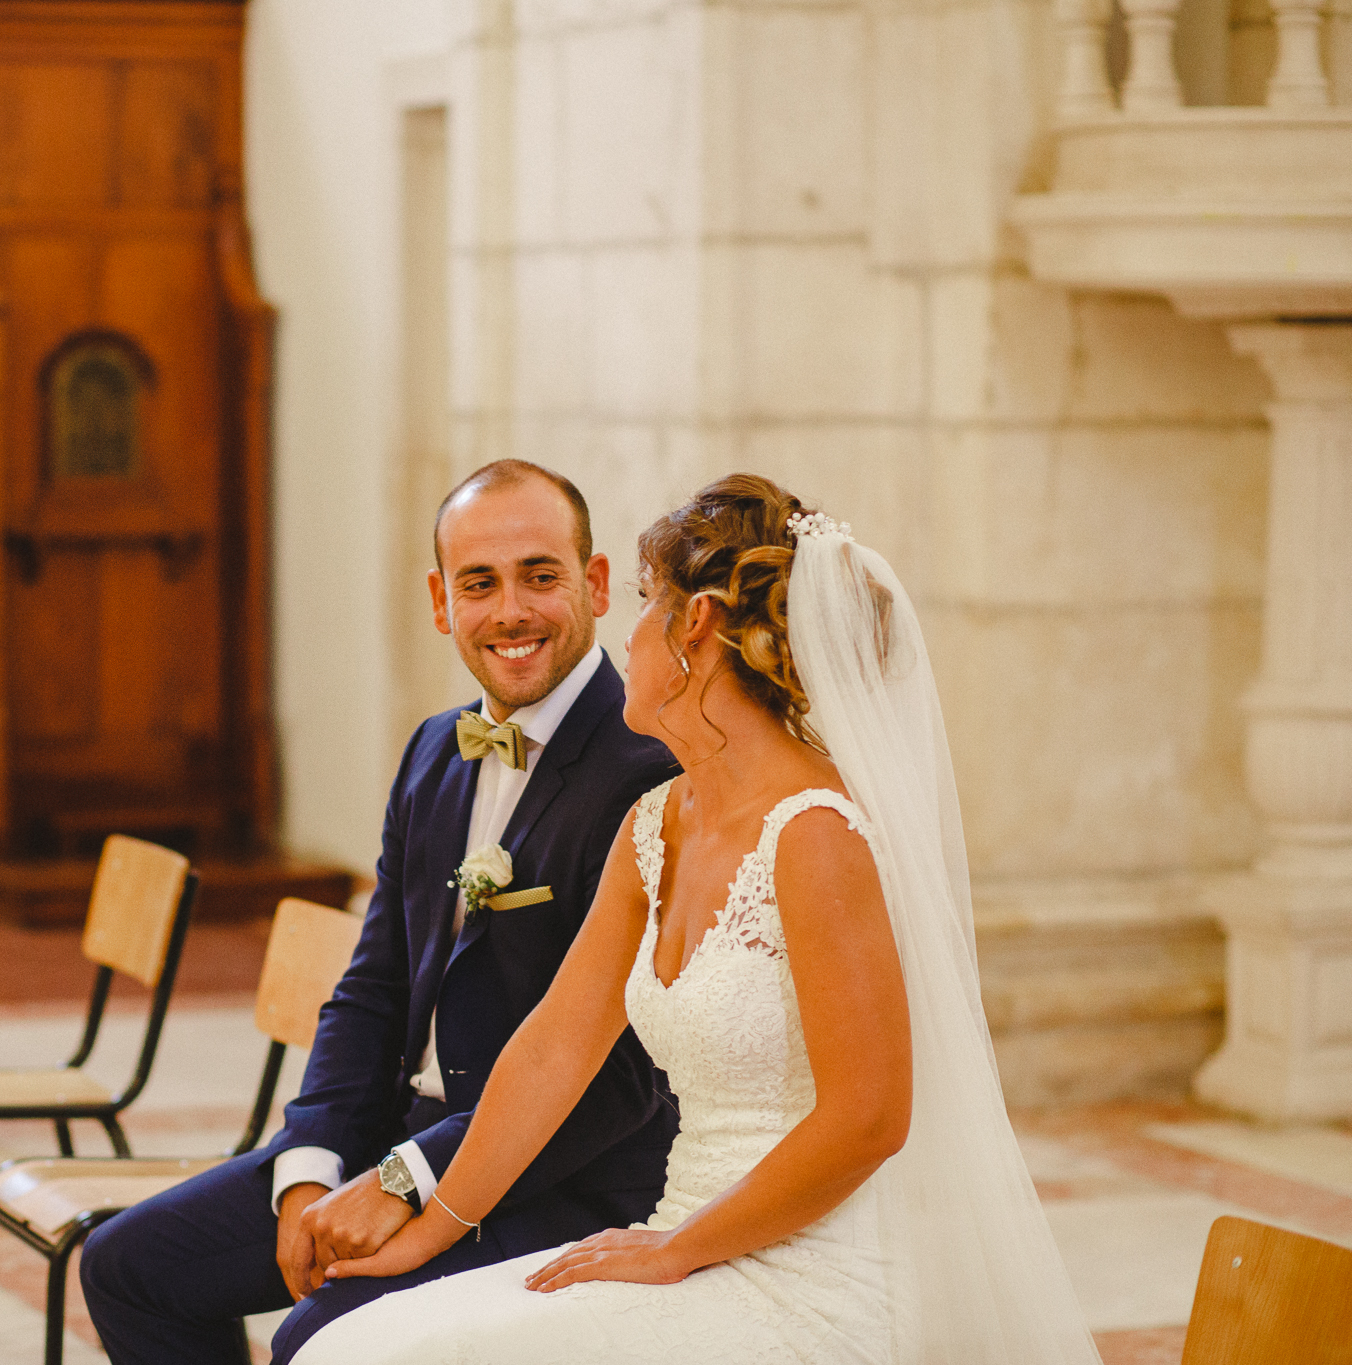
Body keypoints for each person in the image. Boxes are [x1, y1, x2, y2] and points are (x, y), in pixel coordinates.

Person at [294, 475, 1103, 1365]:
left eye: (646, 605)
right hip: (677, 1236)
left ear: (697, 628)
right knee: (353, 1336)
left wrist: (680, 1249)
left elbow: (871, 1117)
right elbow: (554, 1045)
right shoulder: (658, 820)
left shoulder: (816, 834)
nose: (629, 636)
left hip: (807, 1280)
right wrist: (431, 1227)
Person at [78, 460, 681, 1364]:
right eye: (480, 583)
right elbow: (373, 985)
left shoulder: (649, 767)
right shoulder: (434, 751)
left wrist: (408, 1180)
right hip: (394, 1134)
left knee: (319, 1337)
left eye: (540, 575)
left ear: (594, 584)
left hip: (560, 1176)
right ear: (443, 602)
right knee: (130, 1264)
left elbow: (627, 1072)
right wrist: (309, 1164)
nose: (510, 611)